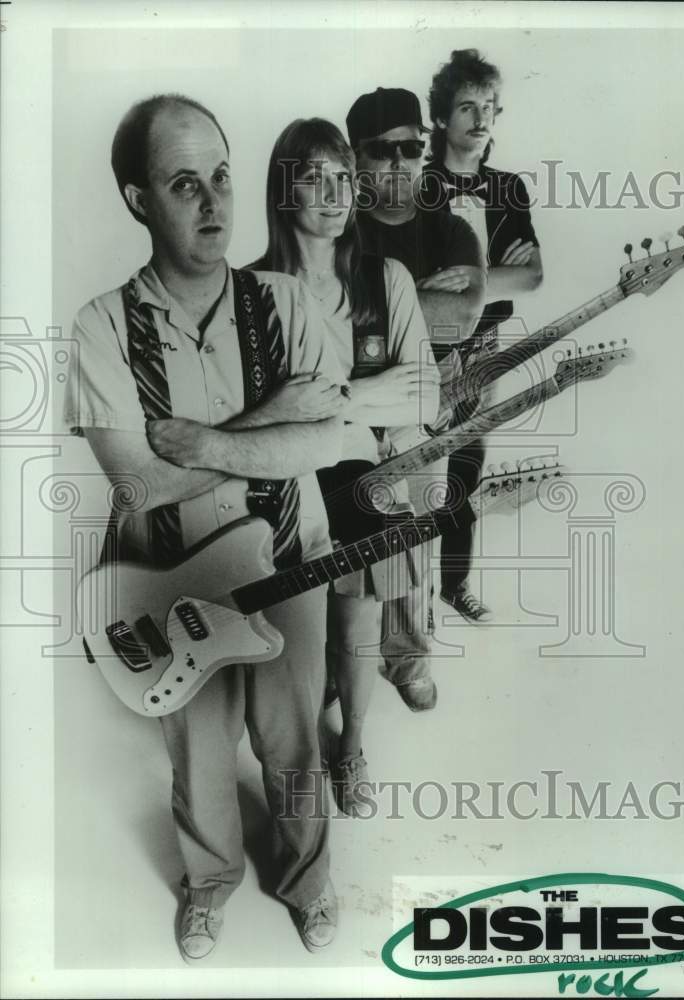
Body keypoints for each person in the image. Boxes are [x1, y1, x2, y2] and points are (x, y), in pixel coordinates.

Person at [64, 94, 346, 962]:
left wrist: (209, 442)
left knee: (295, 740)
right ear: (137, 198)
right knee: (200, 751)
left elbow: (329, 435)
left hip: (290, 557)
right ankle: (209, 883)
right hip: (170, 584)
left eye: (221, 176)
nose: (215, 203)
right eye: (185, 183)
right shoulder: (100, 326)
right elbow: (139, 484)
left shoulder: (288, 299)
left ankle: (308, 882)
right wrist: (270, 426)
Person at [245, 118, 439, 814]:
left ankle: (351, 747)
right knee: (296, 637)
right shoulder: (250, 293)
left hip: (364, 476)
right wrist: (350, 407)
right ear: (283, 188)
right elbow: (255, 413)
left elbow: (424, 389)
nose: (333, 194)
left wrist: (342, 400)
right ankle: (295, 749)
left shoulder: (384, 279)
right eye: (315, 176)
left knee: (359, 623)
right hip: (283, 485)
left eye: (344, 179)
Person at [346, 85, 486, 694]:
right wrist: (419, 297)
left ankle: (404, 658)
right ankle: (335, 663)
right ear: (355, 158)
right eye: (382, 151)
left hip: (431, 395)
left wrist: (380, 308)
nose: (400, 162)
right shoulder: (333, 229)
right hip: (348, 398)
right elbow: (315, 316)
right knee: (340, 528)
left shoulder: (449, 227)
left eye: (410, 148)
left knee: (411, 527)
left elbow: (458, 320)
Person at [423, 49, 542, 623]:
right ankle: (402, 597)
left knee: (465, 470)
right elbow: (411, 282)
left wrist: (472, 275)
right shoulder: (416, 187)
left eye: (489, 106)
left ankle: (453, 585)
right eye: (466, 106)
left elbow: (534, 274)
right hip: (422, 348)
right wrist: (491, 270)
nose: (480, 117)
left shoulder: (509, 189)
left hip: (484, 349)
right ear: (441, 118)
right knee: (410, 470)